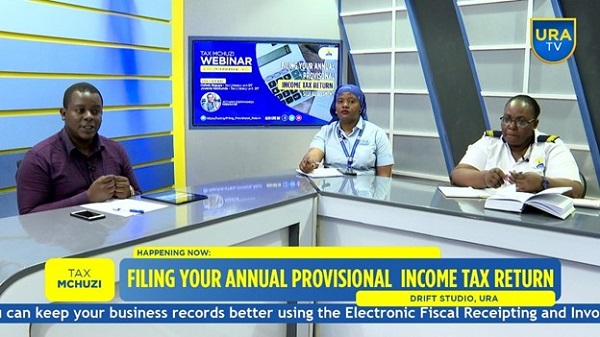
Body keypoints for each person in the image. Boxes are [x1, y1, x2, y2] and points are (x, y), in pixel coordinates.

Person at [16, 82, 142, 214]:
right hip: (61, 233)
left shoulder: (116, 150)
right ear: (64, 113)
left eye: (95, 111)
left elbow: (139, 194)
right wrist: (87, 198)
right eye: (80, 110)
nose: (89, 116)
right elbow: (28, 215)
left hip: (112, 232)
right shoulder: (38, 157)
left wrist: (130, 192)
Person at [450, 94, 584, 198]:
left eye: (521, 122)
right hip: (491, 217)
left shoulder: (550, 147)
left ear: (535, 124)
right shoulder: (489, 142)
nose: (511, 127)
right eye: (507, 120)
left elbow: (576, 189)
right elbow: (457, 175)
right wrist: (484, 178)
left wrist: (542, 183)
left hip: (537, 221)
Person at [298, 84, 394, 177]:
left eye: (351, 101)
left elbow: (384, 177)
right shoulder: (326, 131)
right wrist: (310, 161)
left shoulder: (377, 134)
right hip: (331, 192)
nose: (345, 105)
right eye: (340, 101)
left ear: (361, 107)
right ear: (335, 108)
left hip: (365, 192)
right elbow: (315, 151)